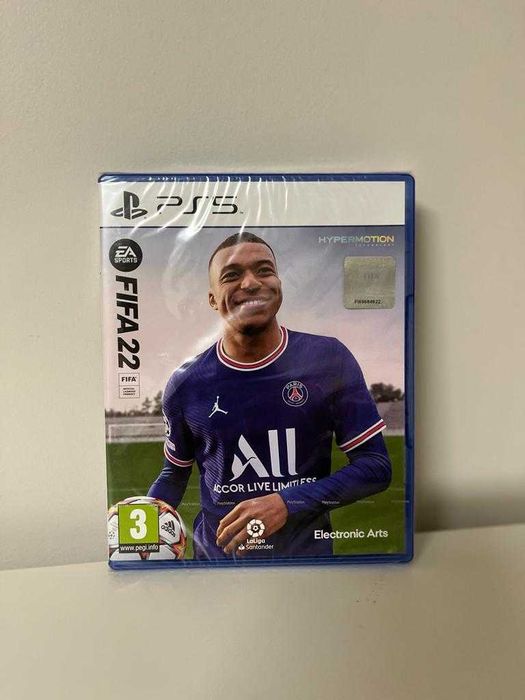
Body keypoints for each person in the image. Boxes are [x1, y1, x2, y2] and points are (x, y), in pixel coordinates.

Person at [148, 232, 391, 559]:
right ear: (212, 299)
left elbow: (375, 467)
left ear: (279, 285)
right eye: (232, 275)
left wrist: (287, 503)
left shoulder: (328, 359)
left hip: (305, 566)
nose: (251, 283)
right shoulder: (186, 383)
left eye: (264, 270)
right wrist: (140, 528)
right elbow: (173, 474)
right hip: (216, 569)